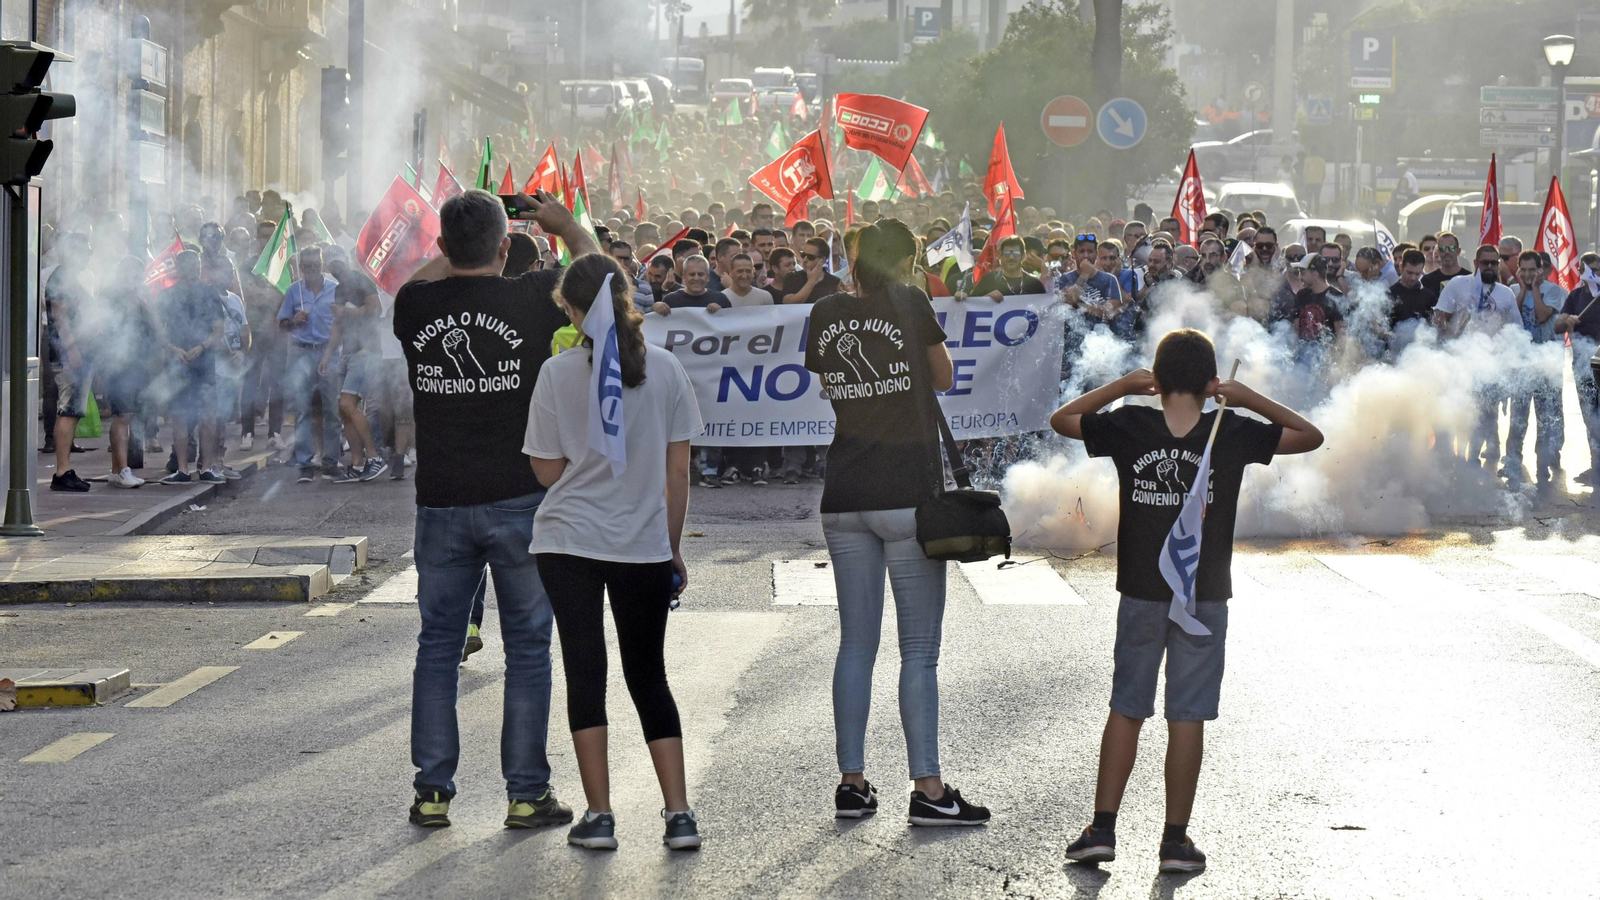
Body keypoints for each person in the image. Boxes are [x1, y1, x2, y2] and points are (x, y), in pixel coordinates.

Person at [1050, 329, 1323, 874]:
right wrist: (1247, 399)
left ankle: (1102, 830)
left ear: (1156, 379)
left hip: (1142, 591)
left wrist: (1122, 388)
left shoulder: (1131, 422)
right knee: (1187, 717)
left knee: (1127, 708)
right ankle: (1175, 840)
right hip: (1204, 595)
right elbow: (1308, 435)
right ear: (1209, 381)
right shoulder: (1230, 428)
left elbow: (1063, 420)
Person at [393, 188, 594, 831]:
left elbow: (427, 273)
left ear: (446, 248)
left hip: (442, 502)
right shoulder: (531, 297)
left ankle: (432, 792)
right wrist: (568, 226)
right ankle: (526, 793)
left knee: (438, 647)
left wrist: (449, 247)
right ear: (507, 248)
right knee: (530, 649)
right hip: (520, 499)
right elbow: (599, 283)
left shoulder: (416, 305)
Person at [803, 218, 991, 828]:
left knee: (856, 643)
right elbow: (944, 378)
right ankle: (929, 790)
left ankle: (851, 783)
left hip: (844, 491)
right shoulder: (910, 301)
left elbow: (830, 384)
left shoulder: (826, 313)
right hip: (905, 491)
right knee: (919, 651)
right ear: (907, 261)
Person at [523, 253, 705, 852]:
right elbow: (678, 473)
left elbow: (547, 473)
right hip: (644, 543)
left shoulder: (557, 374)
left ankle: (599, 816)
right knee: (649, 675)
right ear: (628, 297)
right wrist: (671, 549)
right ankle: (678, 814)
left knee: (585, 671)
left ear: (573, 312)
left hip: (568, 540)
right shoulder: (669, 369)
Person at [1434, 244, 1519, 465]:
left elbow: (1515, 330)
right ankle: (1453, 457)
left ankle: (1472, 459)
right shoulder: (1458, 284)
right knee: (1458, 409)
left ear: (1499, 264)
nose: (1489, 267)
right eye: (1485, 263)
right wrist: (1447, 333)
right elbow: (1440, 315)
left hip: (1490, 364)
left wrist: (1507, 356)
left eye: (1494, 263)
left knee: (1485, 415)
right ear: (1475, 263)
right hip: (1459, 361)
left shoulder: (1506, 293)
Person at [154, 250, 228, 485]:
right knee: (180, 416)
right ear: (179, 268)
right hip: (178, 363)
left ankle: (206, 467)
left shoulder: (210, 293)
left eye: (196, 265)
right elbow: (159, 332)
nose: (193, 270)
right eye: (188, 266)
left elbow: (219, 329)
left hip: (204, 361)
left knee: (208, 415)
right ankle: (183, 469)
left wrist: (202, 346)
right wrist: (173, 349)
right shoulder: (168, 296)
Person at [321, 248, 388, 483]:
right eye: (331, 264)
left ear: (346, 262)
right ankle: (357, 464)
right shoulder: (339, 288)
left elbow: (375, 308)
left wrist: (348, 311)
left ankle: (374, 457)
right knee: (344, 408)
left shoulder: (360, 279)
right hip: (347, 353)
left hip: (365, 351)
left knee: (348, 404)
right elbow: (338, 324)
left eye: (338, 262)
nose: (335, 267)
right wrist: (327, 356)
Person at [278, 247, 345, 483]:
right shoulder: (293, 291)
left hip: (328, 351)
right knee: (303, 409)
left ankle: (331, 461)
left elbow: (342, 321)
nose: (311, 269)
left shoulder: (335, 289)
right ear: (301, 268)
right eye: (306, 266)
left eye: (315, 264)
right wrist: (294, 321)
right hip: (301, 352)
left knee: (331, 409)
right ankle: (305, 463)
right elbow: (282, 325)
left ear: (322, 264)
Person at [1503, 249, 1564, 484]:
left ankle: (1543, 464)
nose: (1528, 274)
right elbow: (1513, 318)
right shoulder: (1513, 291)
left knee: (1545, 417)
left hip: (1545, 365)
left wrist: (1535, 288)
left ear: (1541, 269)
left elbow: (1541, 316)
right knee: (1518, 418)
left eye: (1532, 270)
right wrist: (1521, 288)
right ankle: (1512, 463)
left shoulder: (1554, 291)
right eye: (1523, 269)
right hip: (1520, 366)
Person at [43, 233, 96, 492]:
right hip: (68, 355)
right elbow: (60, 314)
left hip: (73, 353)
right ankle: (62, 471)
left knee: (72, 411)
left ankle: (65, 469)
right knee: (69, 410)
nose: (88, 254)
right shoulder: (62, 278)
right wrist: (72, 349)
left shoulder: (69, 277)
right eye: (85, 249)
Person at [1553, 253, 1600, 485]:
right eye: (1590, 270)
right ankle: (1596, 466)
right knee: (1590, 418)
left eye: (1597, 270)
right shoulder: (1575, 297)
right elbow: (1557, 326)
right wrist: (1568, 320)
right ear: (1581, 272)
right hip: (1583, 367)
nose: (1594, 274)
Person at [957, 236, 1043, 301]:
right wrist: (986, 299)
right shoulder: (988, 280)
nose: (1011, 257)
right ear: (999, 255)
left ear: (1023, 256)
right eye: (1006, 253)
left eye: (1016, 253)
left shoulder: (1035, 284)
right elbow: (973, 308)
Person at [776, 237, 841, 305]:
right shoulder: (792, 277)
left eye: (810, 257)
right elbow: (788, 302)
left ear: (823, 260)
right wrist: (811, 281)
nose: (805, 260)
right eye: (803, 255)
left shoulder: (835, 282)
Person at [654, 255, 727, 314]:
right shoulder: (671, 300)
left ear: (708, 277)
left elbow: (730, 325)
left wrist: (721, 313)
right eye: (692, 274)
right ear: (684, 277)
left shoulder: (720, 300)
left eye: (700, 274)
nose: (696, 278)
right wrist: (655, 307)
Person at [1387, 248, 1438, 330]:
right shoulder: (1389, 294)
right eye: (1409, 272)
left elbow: (1435, 326)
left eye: (1417, 274)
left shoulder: (1429, 297)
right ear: (1401, 267)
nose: (1413, 278)